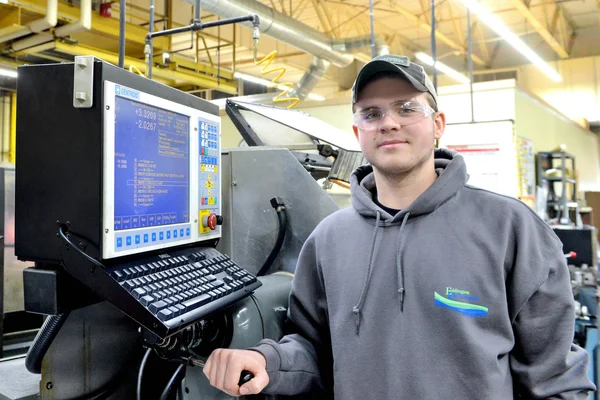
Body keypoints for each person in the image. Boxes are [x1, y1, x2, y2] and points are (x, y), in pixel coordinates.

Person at [203, 54, 596, 399]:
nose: (388, 122)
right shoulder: (328, 240)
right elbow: (314, 350)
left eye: (407, 108)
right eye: (371, 113)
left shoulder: (510, 228)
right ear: (358, 133)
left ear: (438, 124)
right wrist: (266, 359)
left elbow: (554, 375)